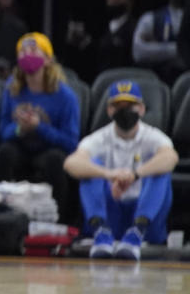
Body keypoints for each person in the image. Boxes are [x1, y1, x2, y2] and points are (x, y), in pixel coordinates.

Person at [64, 81, 176, 261]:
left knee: (160, 169)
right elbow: (71, 163)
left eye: (130, 106)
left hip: (145, 213)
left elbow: (171, 158)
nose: (124, 111)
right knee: (89, 168)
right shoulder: (100, 137)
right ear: (109, 110)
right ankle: (100, 231)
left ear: (141, 109)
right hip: (113, 211)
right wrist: (109, 174)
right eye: (118, 106)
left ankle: (137, 232)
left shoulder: (152, 136)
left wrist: (135, 174)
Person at [0, 32, 80, 220]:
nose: (26, 56)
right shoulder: (12, 88)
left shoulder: (65, 95)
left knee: (55, 160)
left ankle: (57, 221)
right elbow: (2, 132)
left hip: (49, 150)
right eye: (22, 52)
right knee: (3, 154)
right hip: (20, 147)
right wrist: (19, 129)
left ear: (48, 59)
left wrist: (39, 127)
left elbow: (71, 143)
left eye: (32, 50)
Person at [65, 0, 138, 83]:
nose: (110, 2)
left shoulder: (134, 28)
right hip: (99, 82)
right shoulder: (100, 26)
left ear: (129, 1)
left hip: (124, 82)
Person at [132, 0, 190, 84]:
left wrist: (159, 46)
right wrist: (182, 49)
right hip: (160, 82)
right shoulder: (150, 19)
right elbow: (139, 52)